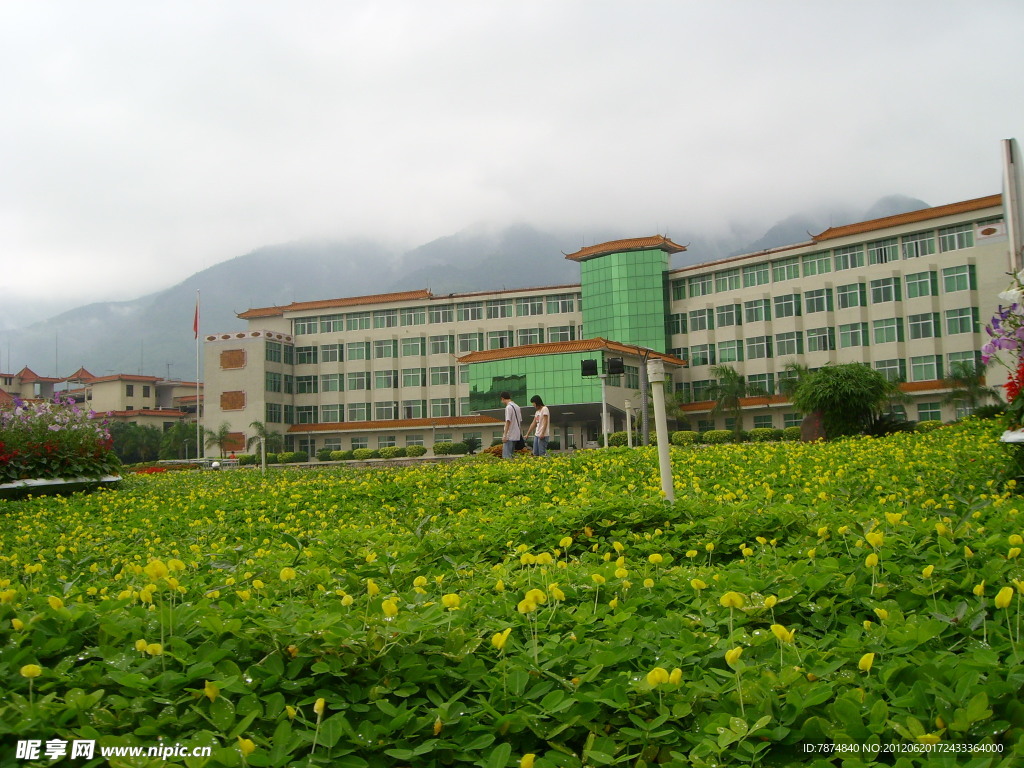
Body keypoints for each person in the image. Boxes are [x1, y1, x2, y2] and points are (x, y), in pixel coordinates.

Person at [500, 391, 523, 458]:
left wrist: (504, 435)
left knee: (506, 456)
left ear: (503, 398)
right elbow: (520, 420)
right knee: (512, 456)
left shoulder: (508, 407)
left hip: (509, 436)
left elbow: (508, 421)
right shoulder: (517, 407)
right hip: (516, 435)